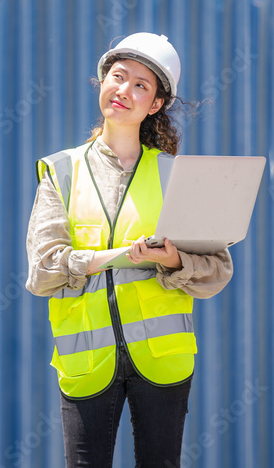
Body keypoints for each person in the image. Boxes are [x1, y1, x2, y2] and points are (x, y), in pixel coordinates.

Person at [25, 32, 233, 468]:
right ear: (102, 82)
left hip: (162, 362)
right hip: (86, 360)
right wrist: (109, 257)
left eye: (142, 85)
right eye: (118, 77)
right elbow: (42, 273)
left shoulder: (176, 176)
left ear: (155, 104)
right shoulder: (61, 171)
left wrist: (170, 260)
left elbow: (217, 270)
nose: (125, 90)